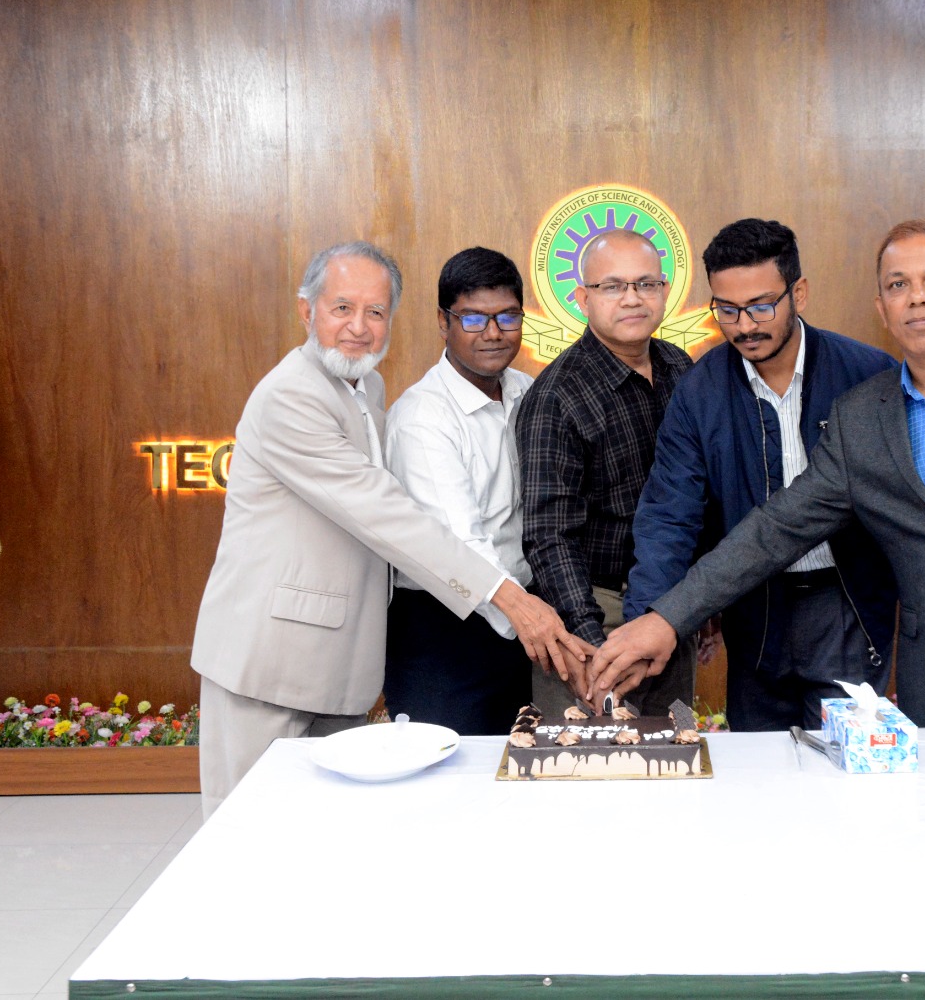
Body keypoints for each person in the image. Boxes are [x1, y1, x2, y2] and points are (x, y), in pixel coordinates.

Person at [593, 220, 925, 914]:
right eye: (898, 286)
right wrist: (664, 618)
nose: (918, 299)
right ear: (881, 307)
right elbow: (772, 530)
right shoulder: (862, 416)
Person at [191, 242, 587, 816]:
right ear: (306, 311)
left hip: (339, 655)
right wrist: (510, 597)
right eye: (342, 308)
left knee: (332, 833)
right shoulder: (290, 396)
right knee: (249, 828)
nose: (359, 327)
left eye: (375, 312)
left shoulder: (365, 386)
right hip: (269, 656)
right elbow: (386, 514)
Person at [625, 218, 898, 732]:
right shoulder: (700, 391)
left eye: (761, 306)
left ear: (800, 293)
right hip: (753, 607)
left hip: (848, 605)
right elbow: (669, 516)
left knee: (842, 764)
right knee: (759, 765)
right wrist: (647, 621)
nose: (745, 326)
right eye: (727, 310)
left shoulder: (868, 375)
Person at [515, 228, 694, 715]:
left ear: (664, 291)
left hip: (670, 608)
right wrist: (590, 646)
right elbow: (550, 535)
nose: (632, 298)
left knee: (670, 751)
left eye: (646, 284)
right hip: (596, 613)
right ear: (582, 299)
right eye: (613, 286)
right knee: (590, 757)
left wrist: (696, 605)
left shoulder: (680, 367)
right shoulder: (557, 396)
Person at [383, 247, 536, 734]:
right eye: (473, 318)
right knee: (450, 771)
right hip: (445, 633)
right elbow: (458, 546)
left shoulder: (529, 392)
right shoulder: (422, 417)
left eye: (507, 316)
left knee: (519, 769)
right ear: (443, 322)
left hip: (520, 620)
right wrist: (532, 620)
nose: (493, 333)